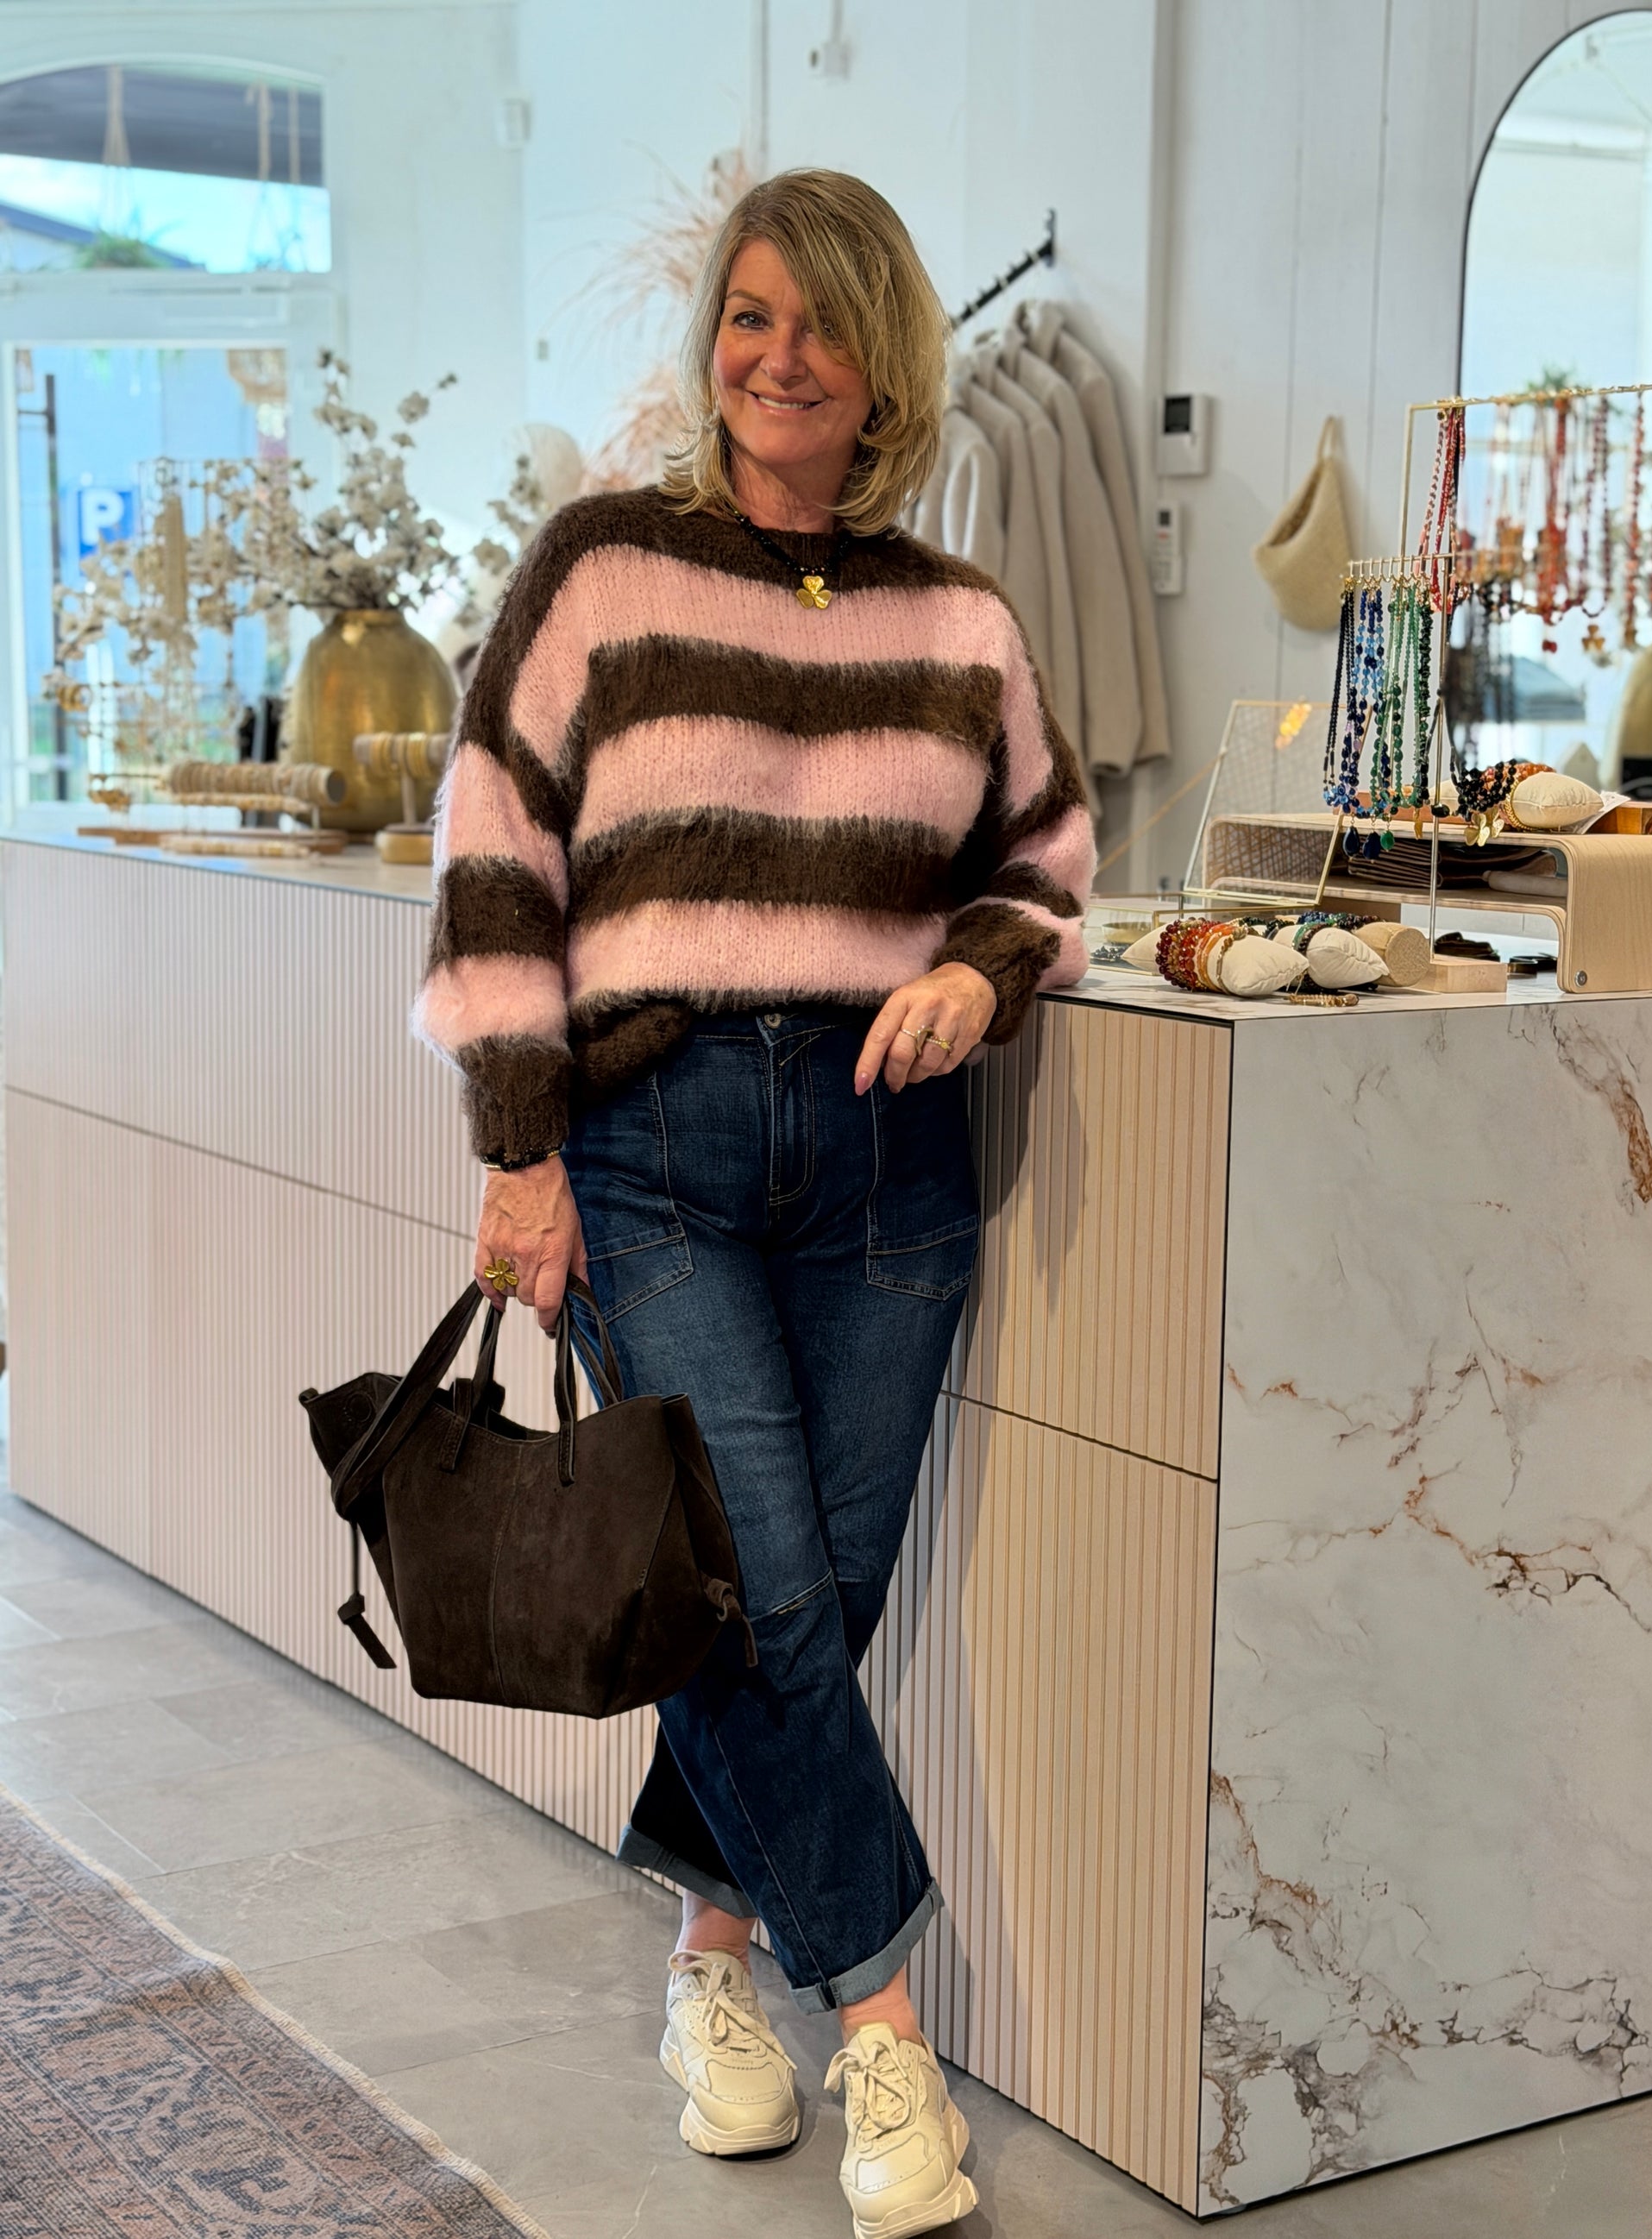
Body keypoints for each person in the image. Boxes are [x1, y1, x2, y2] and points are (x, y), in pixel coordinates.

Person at [416, 167, 1094, 2239]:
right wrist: (518, 1144)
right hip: (657, 1145)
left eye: (819, 322)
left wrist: (983, 967)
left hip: (888, 1158)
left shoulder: (957, 618)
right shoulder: (605, 568)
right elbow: (494, 845)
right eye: (747, 314)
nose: (776, 355)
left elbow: (1050, 854)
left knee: (821, 1587)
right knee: (764, 1594)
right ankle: (883, 2026)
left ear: (886, 360)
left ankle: (711, 1965)